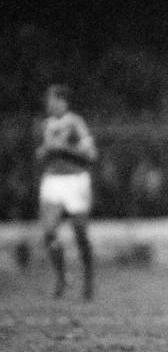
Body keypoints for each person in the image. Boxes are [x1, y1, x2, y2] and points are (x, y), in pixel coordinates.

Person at [36, 84, 98, 301]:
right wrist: (44, 152)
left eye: (51, 99)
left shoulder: (75, 123)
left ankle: (88, 281)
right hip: (53, 180)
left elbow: (91, 154)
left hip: (75, 180)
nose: (48, 103)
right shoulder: (44, 125)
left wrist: (63, 149)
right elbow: (41, 153)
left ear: (62, 101)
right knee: (49, 232)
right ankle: (61, 277)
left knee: (80, 233)